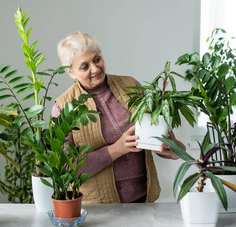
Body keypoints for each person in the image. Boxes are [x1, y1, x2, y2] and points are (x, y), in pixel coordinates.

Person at [52, 31, 186, 204]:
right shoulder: (63, 107)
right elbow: (66, 168)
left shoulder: (130, 85)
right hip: (98, 208)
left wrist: (172, 148)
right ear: (71, 72)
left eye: (97, 59)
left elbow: (155, 139)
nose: (95, 68)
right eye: (84, 66)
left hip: (144, 199)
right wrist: (116, 149)